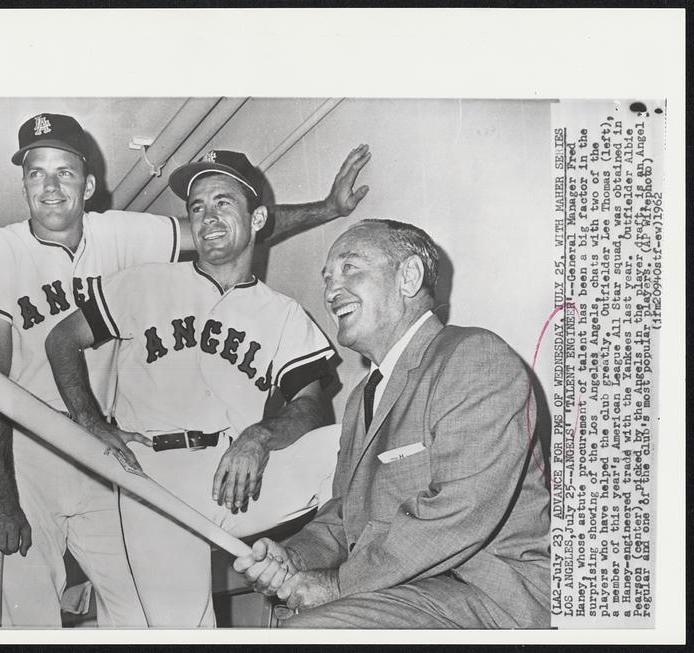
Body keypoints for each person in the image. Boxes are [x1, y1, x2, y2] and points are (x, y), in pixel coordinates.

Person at [0, 112, 370, 627]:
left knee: (353, 444)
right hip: (79, 451)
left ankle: (390, 567)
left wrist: (329, 209)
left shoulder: (270, 305)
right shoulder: (24, 258)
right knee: (62, 606)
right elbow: (29, 358)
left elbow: (236, 226)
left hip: (201, 462)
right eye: (36, 172)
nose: (208, 217)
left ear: (86, 184)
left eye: (63, 171)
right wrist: (16, 483)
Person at [44, 150, 347, 627]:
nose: (208, 217)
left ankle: (373, 576)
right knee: (182, 626)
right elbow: (62, 338)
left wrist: (260, 437)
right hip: (153, 469)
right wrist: (90, 423)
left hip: (235, 471)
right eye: (198, 207)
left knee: (344, 447)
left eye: (223, 202)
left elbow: (312, 408)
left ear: (258, 218)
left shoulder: (284, 313)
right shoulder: (146, 282)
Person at [234, 219, 551, 628]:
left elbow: (460, 511)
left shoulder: (474, 358)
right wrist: (294, 556)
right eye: (327, 278)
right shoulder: (359, 399)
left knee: (307, 629)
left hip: (491, 601)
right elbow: (344, 517)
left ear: (410, 277)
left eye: (351, 268)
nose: (331, 291)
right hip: (411, 592)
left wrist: (337, 584)